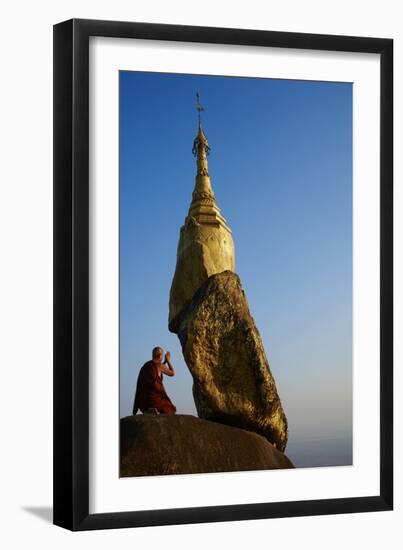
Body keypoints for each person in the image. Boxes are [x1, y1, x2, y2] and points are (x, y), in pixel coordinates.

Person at [132, 347, 177, 415]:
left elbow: (156, 371)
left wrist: (164, 362)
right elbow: (172, 373)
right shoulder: (160, 365)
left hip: (144, 402)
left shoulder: (146, 366)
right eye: (162, 355)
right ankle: (154, 408)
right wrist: (168, 361)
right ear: (160, 356)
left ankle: (149, 409)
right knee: (171, 408)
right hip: (155, 401)